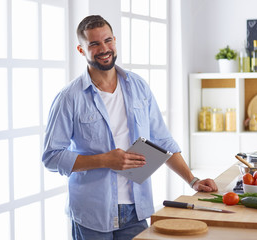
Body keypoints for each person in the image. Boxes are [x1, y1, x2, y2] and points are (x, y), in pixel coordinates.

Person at [42, 15, 218, 240]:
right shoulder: (69, 98)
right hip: (92, 214)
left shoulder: (138, 87)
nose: (104, 48)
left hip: (137, 209)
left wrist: (192, 180)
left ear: (115, 40)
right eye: (94, 44)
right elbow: (52, 157)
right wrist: (104, 160)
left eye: (108, 41)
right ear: (81, 49)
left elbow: (162, 140)